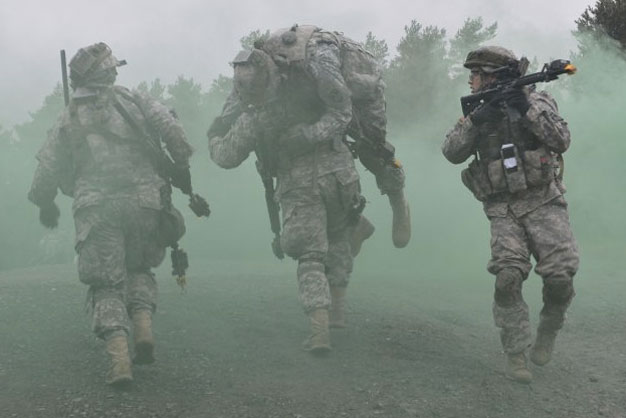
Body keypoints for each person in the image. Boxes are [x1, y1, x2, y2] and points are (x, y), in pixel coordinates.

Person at [208, 25, 410, 354]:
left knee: (311, 253)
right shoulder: (253, 81)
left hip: (305, 179)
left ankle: (319, 331)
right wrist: (221, 120)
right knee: (339, 236)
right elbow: (235, 103)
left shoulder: (317, 69)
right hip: (340, 176)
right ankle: (337, 314)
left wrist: (214, 136)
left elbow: (343, 112)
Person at [28, 42, 194, 386]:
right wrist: (180, 166)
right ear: (109, 72)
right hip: (146, 203)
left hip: (97, 210)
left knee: (106, 284)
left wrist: (44, 202)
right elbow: (174, 132)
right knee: (139, 268)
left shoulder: (70, 115)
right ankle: (143, 329)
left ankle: (120, 361)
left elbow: (47, 167)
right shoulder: (134, 100)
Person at [442, 46, 579, 383]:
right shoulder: (477, 111)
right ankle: (516, 353)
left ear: (493, 76)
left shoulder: (538, 101)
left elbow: (561, 140)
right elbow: (451, 152)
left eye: (476, 74)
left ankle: (548, 329)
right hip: (502, 207)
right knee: (507, 277)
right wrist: (477, 120)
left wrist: (525, 108)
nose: (471, 80)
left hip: (543, 200)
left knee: (560, 278)